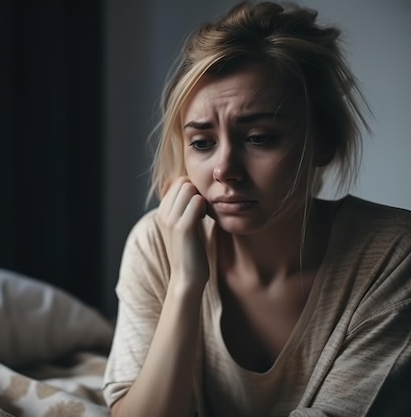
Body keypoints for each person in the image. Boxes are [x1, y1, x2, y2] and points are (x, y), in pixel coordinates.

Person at [102, 1, 411, 416]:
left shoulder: (393, 256)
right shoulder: (156, 244)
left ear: (322, 142)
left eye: (260, 137)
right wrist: (185, 284)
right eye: (202, 142)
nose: (225, 170)